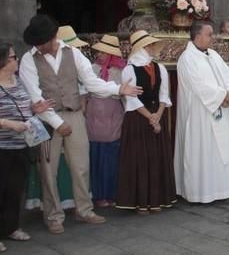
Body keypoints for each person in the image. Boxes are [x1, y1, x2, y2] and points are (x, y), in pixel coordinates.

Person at [19, 14, 141, 234]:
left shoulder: (73, 53)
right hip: (47, 119)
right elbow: (35, 96)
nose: (38, 45)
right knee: (49, 170)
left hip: (74, 114)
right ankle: (53, 215)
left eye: (41, 41)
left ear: (52, 37)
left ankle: (84, 209)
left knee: (81, 166)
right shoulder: (29, 59)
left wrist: (117, 89)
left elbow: (91, 82)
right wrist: (56, 123)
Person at [175, 21, 229, 202]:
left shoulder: (213, 55)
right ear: (197, 36)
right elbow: (198, 85)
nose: (213, 38)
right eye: (209, 34)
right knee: (203, 151)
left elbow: (228, 75)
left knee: (220, 151)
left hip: (220, 109)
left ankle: (223, 189)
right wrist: (222, 96)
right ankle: (201, 192)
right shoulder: (187, 58)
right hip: (200, 114)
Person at [0, 43, 54, 251]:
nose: (17, 60)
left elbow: (24, 107)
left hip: (21, 145)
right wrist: (7, 123)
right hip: (2, 146)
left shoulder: (19, 81)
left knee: (15, 189)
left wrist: (35, 108)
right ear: (3, 60)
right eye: (13, 57)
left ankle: (11, 227)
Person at [116, 30, 176, 214]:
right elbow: (131, 98)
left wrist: (158, 114)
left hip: (156, 116)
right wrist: (149, 117)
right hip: (137, 119)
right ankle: (140, 202)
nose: (153, 48)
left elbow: (164, 95)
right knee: (140, 159)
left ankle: (156, 199)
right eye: (149, 45)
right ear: (141, 47)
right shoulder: (129, 69)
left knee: (156, 158)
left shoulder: (160, 68)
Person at [86, 35, 126, 208]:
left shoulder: (120, 71)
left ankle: (112, 193)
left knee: (111, 154)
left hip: (113, 115)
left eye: (103, 52)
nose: (99, 55)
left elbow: (123, 94)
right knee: (96, 153)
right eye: (99, 51)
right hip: (94, 114)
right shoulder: (92, 69)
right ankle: (98, 194)